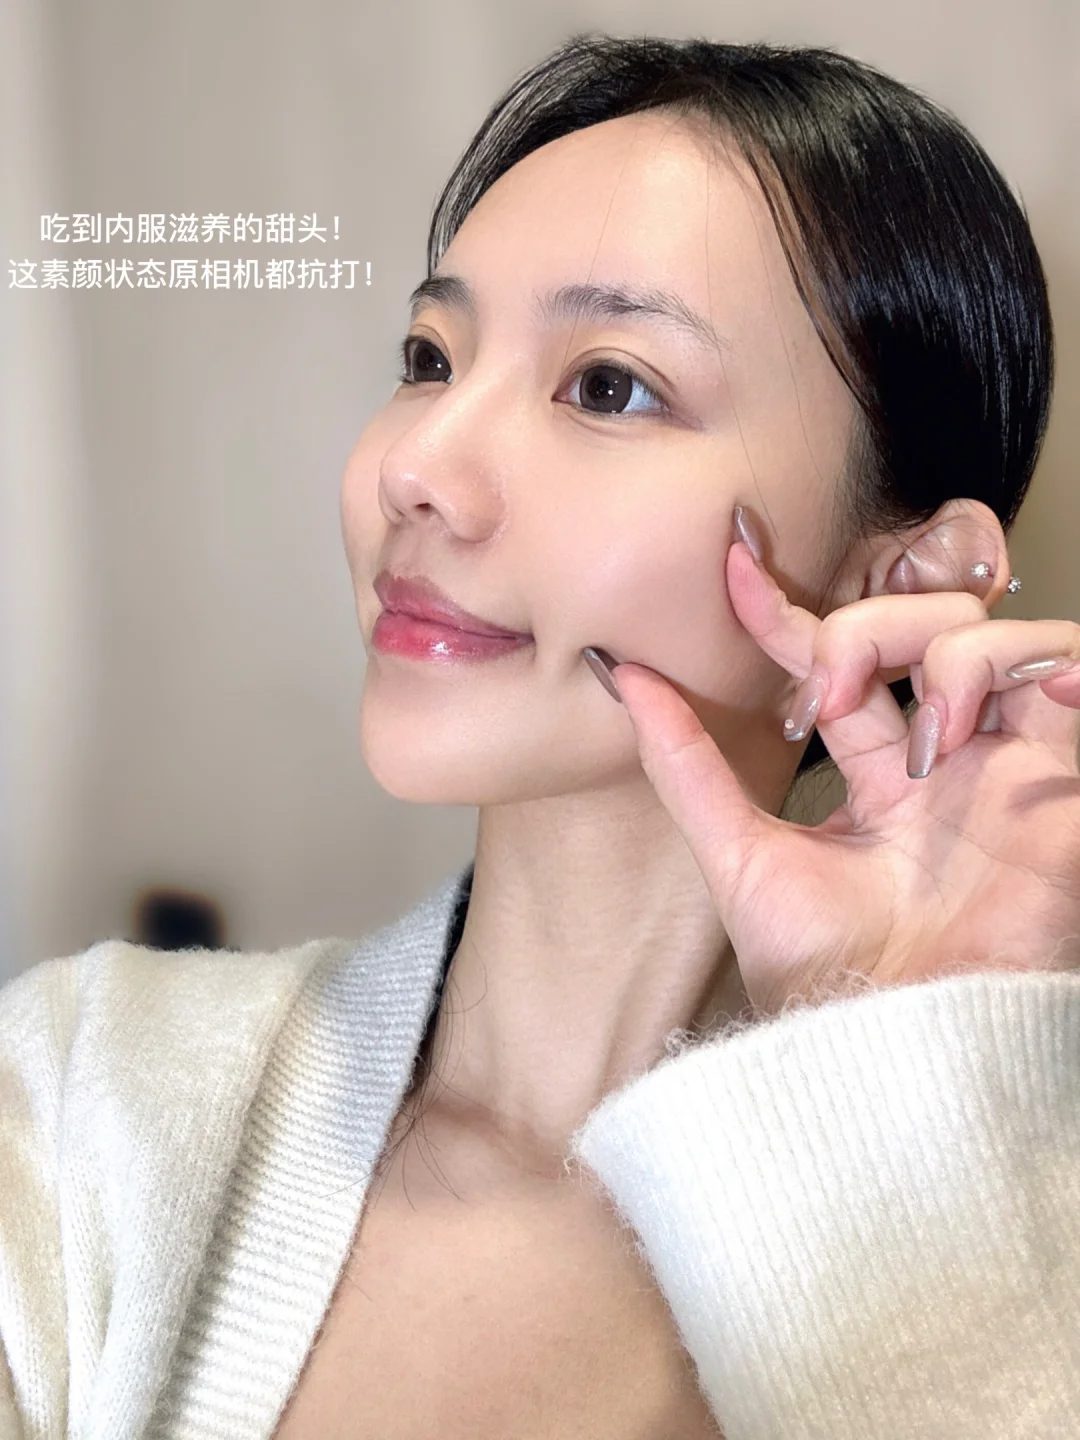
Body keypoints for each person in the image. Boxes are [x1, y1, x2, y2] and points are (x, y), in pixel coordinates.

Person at [2, 33, 1079, 1440]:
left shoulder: (1027, 1268)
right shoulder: (81, 1102)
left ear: (900, 579)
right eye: (429, 357)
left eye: (609, 385)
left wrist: (913, 1079)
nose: (417, 467)